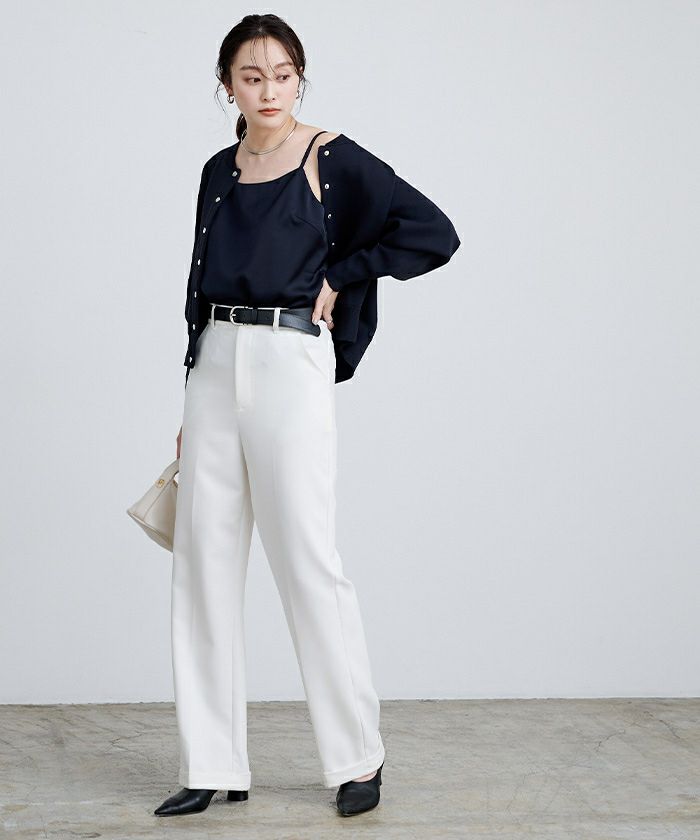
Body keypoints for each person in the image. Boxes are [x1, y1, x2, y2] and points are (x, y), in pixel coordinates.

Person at [154, 13, 460, 820]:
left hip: (289, 360)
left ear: (300, 78)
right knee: (202, 564)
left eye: (283, 75)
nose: (269, 91)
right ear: (227, 85)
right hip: (215, 363)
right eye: (251, 76)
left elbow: (434, 233)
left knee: (307, 560)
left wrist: (346, 273)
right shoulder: (218, 171)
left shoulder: (332, 158)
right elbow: (198, 286)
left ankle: (357, 758)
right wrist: (191, 397)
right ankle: (211, 762)